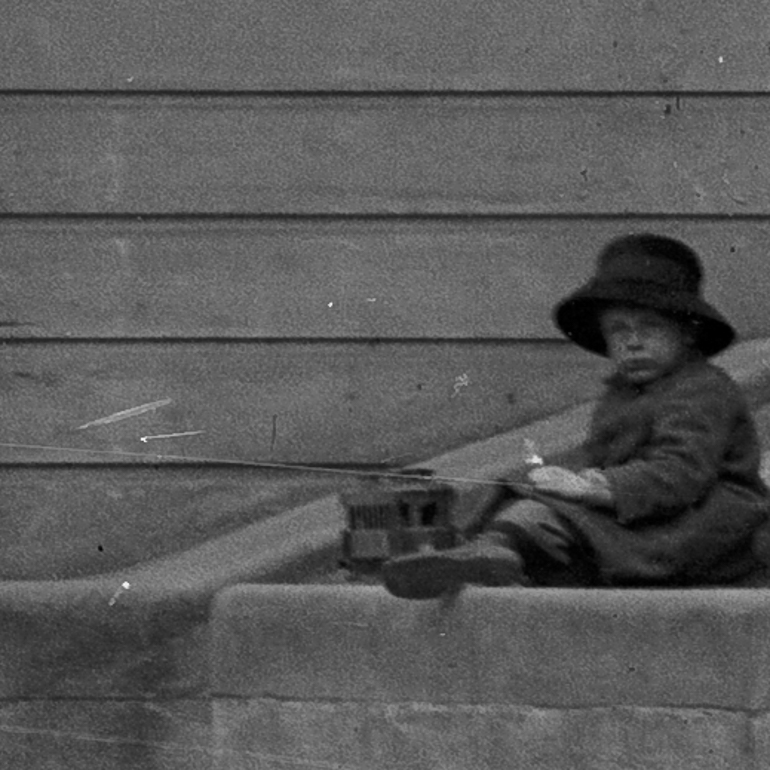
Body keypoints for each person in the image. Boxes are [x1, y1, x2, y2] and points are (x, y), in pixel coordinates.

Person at [383, 233, 770, 598]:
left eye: (650, 327)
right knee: (531, 497)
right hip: (644, 511)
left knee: (563, 517)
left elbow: (680, 472)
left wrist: (591, 488)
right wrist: (561, 480)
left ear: (688, 334)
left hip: (704, 522)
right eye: (618, 331)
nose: (632, 342)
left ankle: (497, 556)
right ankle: (491, 555)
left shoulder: (701, 389)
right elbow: (598, 455)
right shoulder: (622, 395)